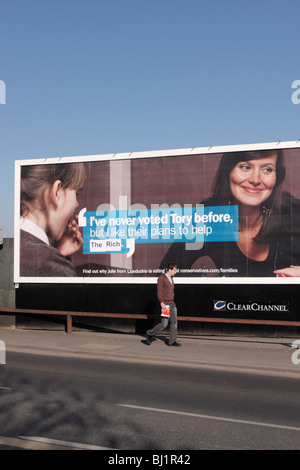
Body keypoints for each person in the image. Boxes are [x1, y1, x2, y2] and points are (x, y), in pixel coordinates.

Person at [160, 149, 300, 277]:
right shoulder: (208, 215)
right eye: (245, 167)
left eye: (267, 169)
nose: (255, 179)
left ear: (277, 177)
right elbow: (165, 273)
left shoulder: (294, 212)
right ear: (228, 171)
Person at [19, 162, 86, 277]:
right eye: (76, 193)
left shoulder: (16, 247)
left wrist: (58, 254)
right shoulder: (54, 267)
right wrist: (56, 262)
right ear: (56, 192)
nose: (76, 204)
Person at [146, 261, 181, 346]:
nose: (175, 272)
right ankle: (150, 333)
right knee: (164, 324)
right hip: (165, 304)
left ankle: (172, 341)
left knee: (174, 323)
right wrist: (162, 303)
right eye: (174, 270)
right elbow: (159, 291)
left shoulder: (172, 279)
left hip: (172, 303)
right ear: (169, 269)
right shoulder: (161, 278)